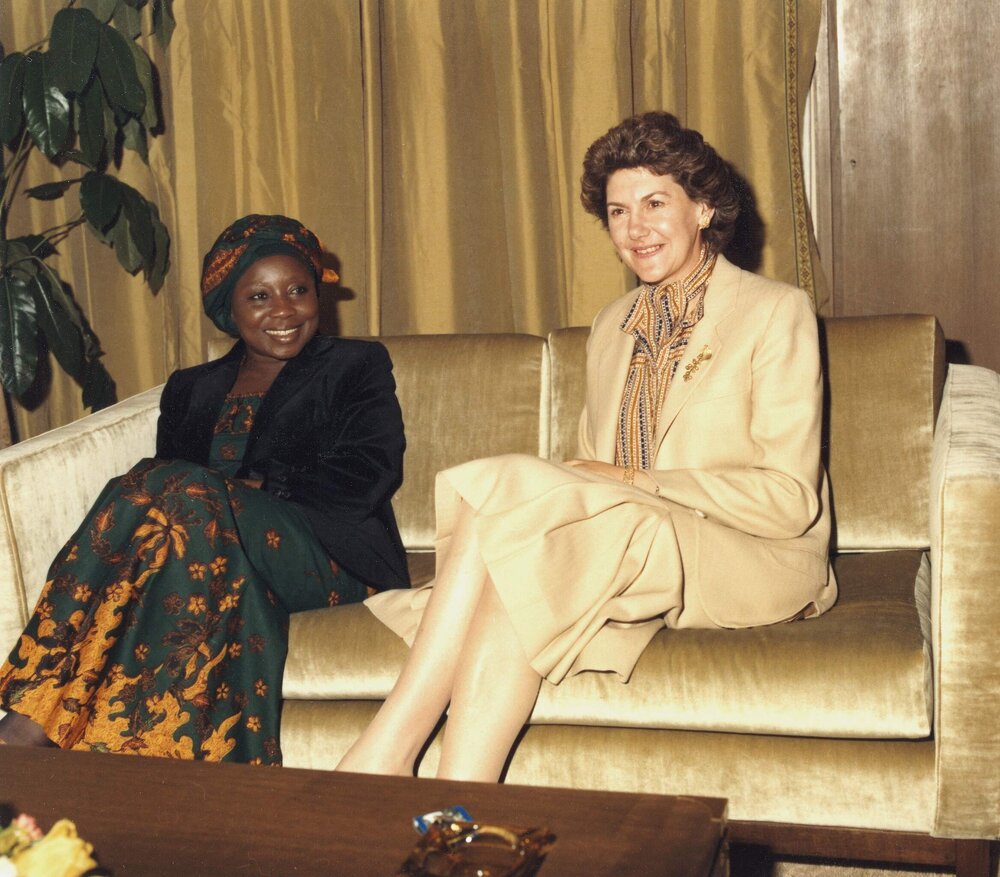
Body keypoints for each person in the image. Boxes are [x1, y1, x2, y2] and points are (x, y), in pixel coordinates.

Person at [336, 112, 837, 782]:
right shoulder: (610, 326)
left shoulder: (775, 311)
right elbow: (581, 486)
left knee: (515, 511)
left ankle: (386, 753)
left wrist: (635, 481)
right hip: (632, 541)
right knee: (522, 558)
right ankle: (460, 802)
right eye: (618, 211)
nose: (635, 229)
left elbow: (789, 501)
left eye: (655, 204)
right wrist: (608, 486)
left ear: (703, 209)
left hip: (750, 553)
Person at [0, 214, 409, 764]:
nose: (284, 310)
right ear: (228, 308)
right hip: (210, 550)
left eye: (298, 291)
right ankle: (127, 750)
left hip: (328, 554)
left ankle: (29, 715)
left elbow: (367, 473)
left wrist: (249, 488)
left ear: (318, 294)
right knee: (160, 488)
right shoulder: (191, 386)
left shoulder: (355, 365)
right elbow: (164, 501)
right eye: (259, 297)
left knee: (179, 485)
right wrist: (212, 498)